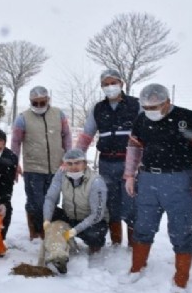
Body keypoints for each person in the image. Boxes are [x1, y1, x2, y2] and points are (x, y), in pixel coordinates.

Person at [119, 83, 192, 293]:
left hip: (178, 179)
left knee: (180, 230)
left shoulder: (186, 120)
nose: (150, 111)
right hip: (148, 179)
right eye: (146, 107)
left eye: (155, 107)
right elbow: (134, 148)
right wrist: (129, 175)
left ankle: (181, 277)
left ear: (167, 102)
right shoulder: (142, 120)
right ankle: (137, 266)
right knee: (143, 225)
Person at [76, 69, 140, 247]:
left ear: (121, 84)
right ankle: (116, 243)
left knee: (131, 205)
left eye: (113, 83)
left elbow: (148, 132)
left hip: (130, 164)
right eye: (106, 84)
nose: (110, 87)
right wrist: (75, 157)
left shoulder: (136, 105)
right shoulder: (98, 109)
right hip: (106, 164)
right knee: (111, 206)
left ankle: (133, 246)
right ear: (102, 86)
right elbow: (86, 135)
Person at [11, 86, 72, 240]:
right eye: (35, 103)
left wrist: (68, 158)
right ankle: (34, 231)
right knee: (35, 202)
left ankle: (47, 229)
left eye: (42, 102)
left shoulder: (59, 115)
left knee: (52, 200)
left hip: (56, 167)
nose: (38, 106)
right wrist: (14, 162)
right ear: (30, 101)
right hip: (33, 168)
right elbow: (16, 142)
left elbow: (67, 136)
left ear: (48, 100)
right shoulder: (23, 118)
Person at [43, 148, 109, 258]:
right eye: (69, 163)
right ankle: (57, 244)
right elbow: (50, 198)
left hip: (91, 220)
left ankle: (95, 254)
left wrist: (74, 231)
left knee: (94, 235)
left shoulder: (96, 182)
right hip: (69, 216)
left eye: (77, 163)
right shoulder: (61, 175)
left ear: (85, 164)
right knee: (41, 211)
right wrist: (47, 220)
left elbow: (97, 215)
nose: (73, 167)